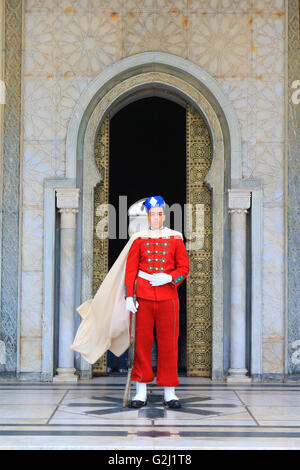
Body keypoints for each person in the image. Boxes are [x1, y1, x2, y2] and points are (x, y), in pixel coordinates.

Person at [124, 196, 190, 409]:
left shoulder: (175, 238)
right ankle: (141, 391)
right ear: (148, 216)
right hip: (142, 296)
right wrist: (128, 296)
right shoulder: (139, 238)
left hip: (168, 297)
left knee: (169, 345)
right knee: (142, 345)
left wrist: (170, 278)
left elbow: (184, 268)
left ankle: (170, 391)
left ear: (164, 215)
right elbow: (131, 270)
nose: (157, 217)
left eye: (160, 214)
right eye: (153, 214)